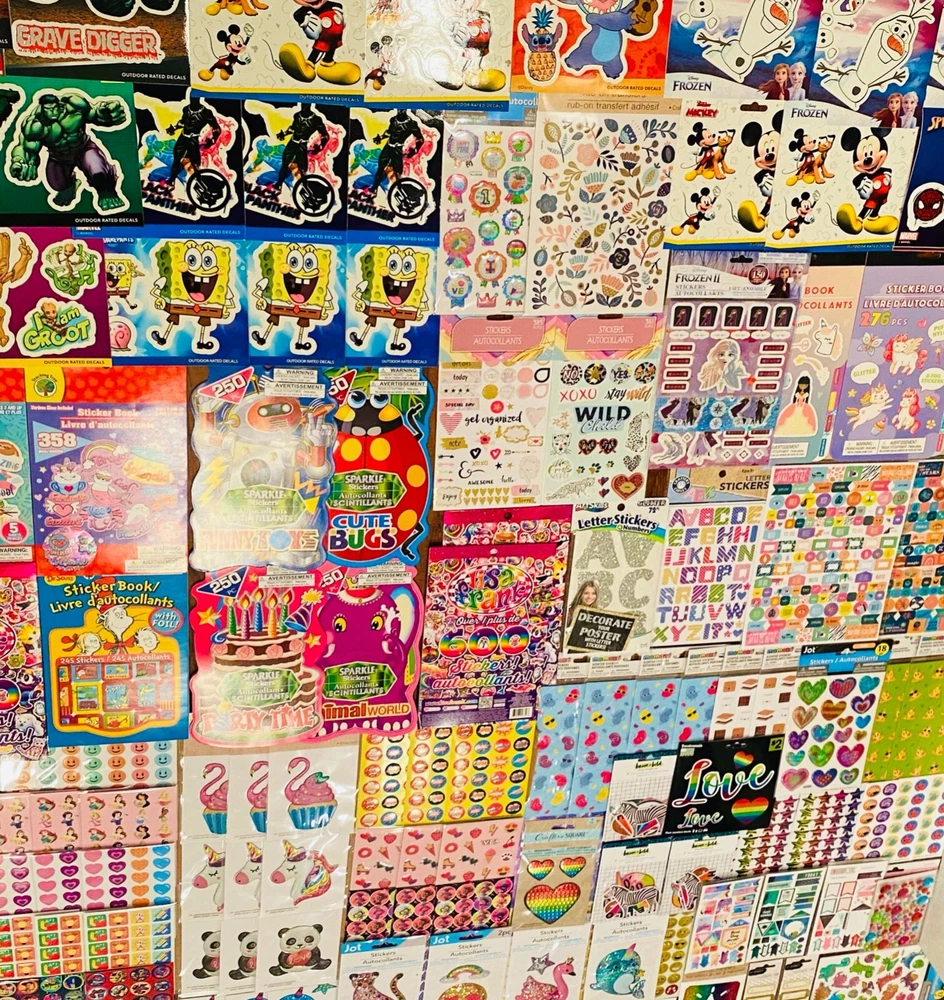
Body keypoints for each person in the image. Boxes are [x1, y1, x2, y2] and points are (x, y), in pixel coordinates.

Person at [167, 94, 221, 187]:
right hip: (183, 137)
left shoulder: (205, 113)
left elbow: (216, 128)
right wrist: (174, 128)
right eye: (192, 98)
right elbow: (183, 122)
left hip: (193, 139)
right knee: (177, 158)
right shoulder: (186, 109)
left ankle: (201, 184)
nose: (193, 100)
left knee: (195, 164)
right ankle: (171, 180)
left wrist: (213, 140)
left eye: (195, 98)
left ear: (199, 98)